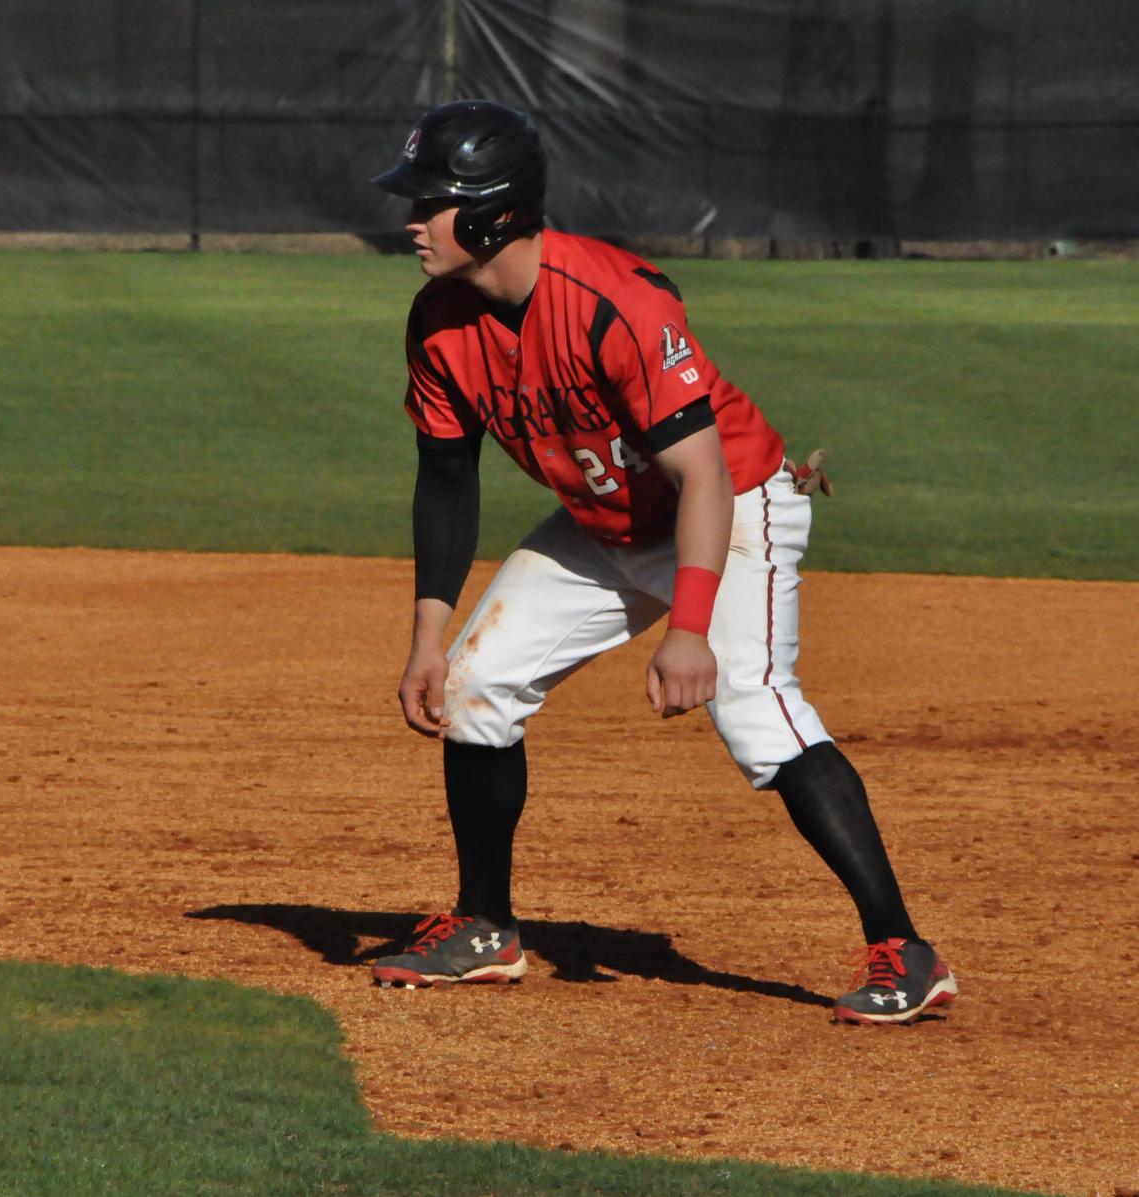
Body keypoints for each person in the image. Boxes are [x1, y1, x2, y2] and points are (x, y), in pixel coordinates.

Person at [366, 100, 956, 1025]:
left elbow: (704, 475)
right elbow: (445, 479)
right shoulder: (439, 323)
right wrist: (427, 637)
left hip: (731, 507)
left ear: (490, 213)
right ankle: (485, 925)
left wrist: (689, 628)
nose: (410, 220)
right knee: (479, 684)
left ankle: (904, 946)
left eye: (429, 202)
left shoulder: (614, 304)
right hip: (604, 525)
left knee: (756, 707)